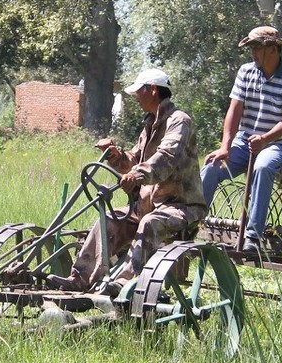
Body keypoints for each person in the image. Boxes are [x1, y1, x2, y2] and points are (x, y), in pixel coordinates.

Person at [46, 68, 207, 293]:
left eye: (139, 92)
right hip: (146, 206)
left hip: (181, 207)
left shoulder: (179, 121)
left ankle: (124, 283)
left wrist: (137, 175)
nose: (136, 98)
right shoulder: (150, 125)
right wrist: (117, 156)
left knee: (150, 223)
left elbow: (166, 158)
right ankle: (80, 278)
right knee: (109, 219)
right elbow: (134, 160)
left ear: (152, 90)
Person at [200, 25, 282, 253]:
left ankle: (253, 237)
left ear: (273, 50)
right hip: (243, 141)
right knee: (211, 165)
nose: (252, 53)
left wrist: (265, 139)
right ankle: (192, 222)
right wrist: (225, 147)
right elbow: (234, 111)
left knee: (263, 166)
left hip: (278, 144)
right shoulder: (246, 72)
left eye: (256, 47)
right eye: (252, 48)